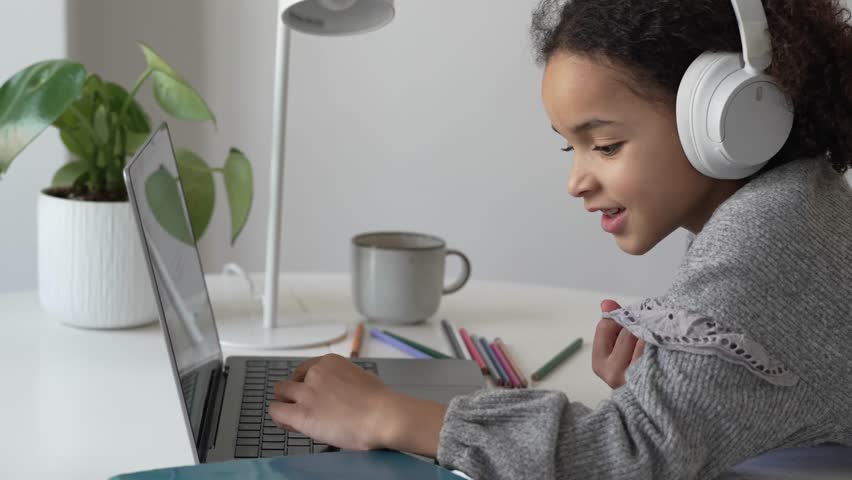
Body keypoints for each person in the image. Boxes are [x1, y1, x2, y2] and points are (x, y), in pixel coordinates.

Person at [267, 0, 852, 478]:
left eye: (605, 145)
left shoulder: (766, 241)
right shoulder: (794, 204)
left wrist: (388, 416)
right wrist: (684, 394)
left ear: (725, 121)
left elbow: (626, 456)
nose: (576, 181)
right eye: (567, 147)